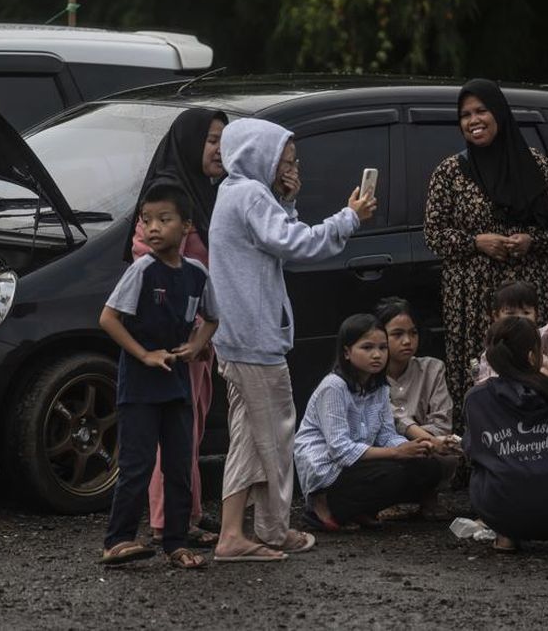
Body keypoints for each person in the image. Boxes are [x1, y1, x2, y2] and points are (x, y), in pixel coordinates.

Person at [208, 117, 376, 562]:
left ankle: (236, 534)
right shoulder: (249, 194)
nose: (290, 165)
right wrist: (349, 220)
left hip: (239, 338)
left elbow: (274, 237)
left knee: (249, 438)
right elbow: (295, 244)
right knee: (277, 438)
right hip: (255, 339)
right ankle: (274, 530)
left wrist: (288, 197)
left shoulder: (235, 192)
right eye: (284, 158)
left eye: (292, 159)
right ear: (258, 155)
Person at [424, 79, 548, 422]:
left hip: (529, 296)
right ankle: (482, 462)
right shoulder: (449, 172)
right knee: (481, 379)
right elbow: (433, 234)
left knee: (535, 369)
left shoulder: (536, 166)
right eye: (465, 114)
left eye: (481, 111)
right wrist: (477, 242)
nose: (473, 120)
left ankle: (542, 449)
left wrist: (530, 241)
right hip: (475, 301)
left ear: (500, 114)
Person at [98, 183, 219, 569]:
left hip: (178, 383)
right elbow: (108, 318)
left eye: (164, 220)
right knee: (137, 465)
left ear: (186, 226)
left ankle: (176, 542)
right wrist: (144, 354)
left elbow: (213, 317)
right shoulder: (143, 269)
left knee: (180, 464)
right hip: (139, 384)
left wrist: (197, 344)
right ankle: (117, 540)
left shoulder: (197, 273)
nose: (153, 228)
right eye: (146, 220)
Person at [126, 108, 228, 547]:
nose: (219, 149)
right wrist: (183, 333)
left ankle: (187, 513)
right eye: (210, 139)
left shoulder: (203, 195)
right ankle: (169, 521)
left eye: (224, 139)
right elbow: (150, 266)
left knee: (191, 431)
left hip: (199, 339)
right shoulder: (168, 202)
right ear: (188, 143)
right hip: (174, 341)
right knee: (173, 437)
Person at [293, 314, 444, 530]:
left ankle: (359, 509)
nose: (377, 355)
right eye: (367, 347)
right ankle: (322, 507)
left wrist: (414, 447)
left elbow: (386, 435)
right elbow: (340, 450)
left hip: (358, 464)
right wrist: (396, 453)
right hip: (328, 470)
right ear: (347, 352)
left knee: (428, 468)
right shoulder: (334, 387)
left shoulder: (379, 387)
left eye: (382, 348)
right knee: (393, 474)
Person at [463, 316, 548, 554]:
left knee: (486, 470)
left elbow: (471, 451)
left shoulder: (476, 398)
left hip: (500, 508)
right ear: (533, 356)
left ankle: (506, 536)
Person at [375, 297, 459, 519]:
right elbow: (388, 419)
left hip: (428, 450)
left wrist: (425, 442)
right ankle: (383, 499)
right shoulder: (371, 375)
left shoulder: (432, 368)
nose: (407, 341)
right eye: (397, 334)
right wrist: (422, 441)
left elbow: (442, 421)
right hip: (389, 451)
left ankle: (428, 496)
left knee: (449, 453)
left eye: (413, 333)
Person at [472, 281, 548, 384]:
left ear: (536, 315)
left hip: (532, 393)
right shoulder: (494, 344)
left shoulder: (535, 337)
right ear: (496, 316)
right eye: (510, 313)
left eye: (526, 313)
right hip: (501, 395)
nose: (519, 318)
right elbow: (483, 378)